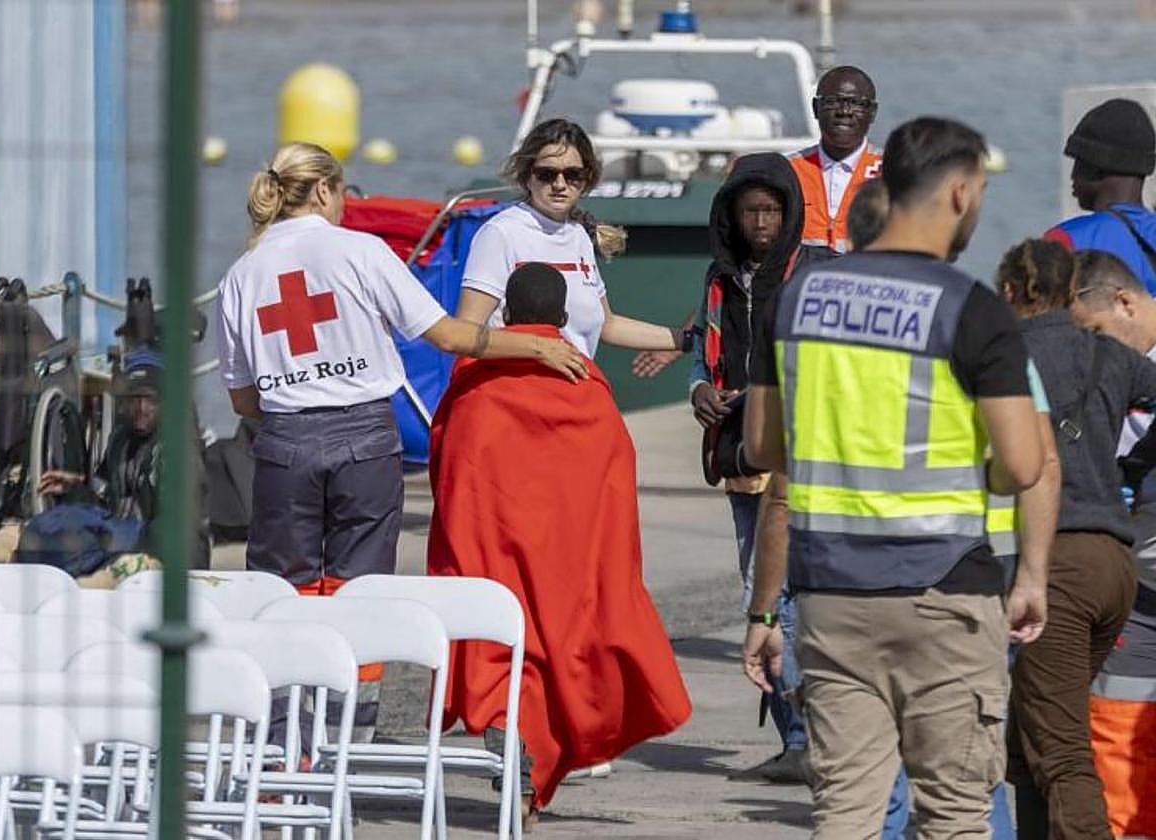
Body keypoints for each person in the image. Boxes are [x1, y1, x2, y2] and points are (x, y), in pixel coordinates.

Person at [742, 116, 1049, 838]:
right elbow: (1023, 465)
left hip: (831, 594)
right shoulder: (973, 310)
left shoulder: (795, 302)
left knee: (846, 811)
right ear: (960, 193)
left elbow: (760, 446)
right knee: (952, 814)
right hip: (944, 592)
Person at [216, 141, 587, 595]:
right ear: (325, 191)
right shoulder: (362, 251)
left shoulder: (240, 274)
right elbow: (449, 336)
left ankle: (290, 666)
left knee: (281, 591)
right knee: (359, 589)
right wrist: (536, 346)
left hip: (285, 445)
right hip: (365, 442)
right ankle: (354, 668)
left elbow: (243, 399)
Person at [429, 262, 692, 827]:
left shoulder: (475, 381)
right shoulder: (587, 386)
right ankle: (525, 784)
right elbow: (614, 478)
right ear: (565, 319)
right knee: (555, 659)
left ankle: (514, 775)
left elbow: (449, 469)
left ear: (505, 316)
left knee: (501, 656)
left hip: (491, 556)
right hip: (568, 563)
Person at [995, 238, 1156, 840]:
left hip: (1055, 562)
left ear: (1012, 293)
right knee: (1031, 732)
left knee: (1061, 749)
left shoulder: (1007, 355)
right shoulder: (1109, 354)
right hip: (1115, 563)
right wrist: (1134, 466)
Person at [689, 152, 830, 783]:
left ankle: (805, 737)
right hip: (741, 460)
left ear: (791, 213)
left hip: (803, 457)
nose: (762, 224)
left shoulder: (814, 273)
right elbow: (703, 355)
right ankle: (795, 737)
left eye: (772, 211)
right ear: (732, 217)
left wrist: (759, 396)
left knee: (780, 600)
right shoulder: (720, 281)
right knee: (763, 594)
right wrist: (702, 392)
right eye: (750, 212)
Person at [457, 117, 692, 360]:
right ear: (528, 176)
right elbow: (466, 333)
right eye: (547, 174)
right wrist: (540, 350)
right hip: (517, 390)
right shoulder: (501, 233)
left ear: (586, 178)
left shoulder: (578, 235)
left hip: (572, 391)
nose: (560, 184)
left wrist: (687, 340)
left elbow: (608, 325)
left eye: (572, 175)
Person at [1065, 249, 1156, 839]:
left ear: (1125, 302)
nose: (1094, 352)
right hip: (1138, 589)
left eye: (1096, 334)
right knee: (1117, 731)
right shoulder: (1113, 375)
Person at [38, 347, 212, 570]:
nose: (140, 408)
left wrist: (112, 535)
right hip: (124, 551)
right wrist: (75, 487)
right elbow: (104, 503)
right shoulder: (119, 441)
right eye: (133, 399)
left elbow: (177, 528)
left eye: (150, 400)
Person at [1045, 98, 1156, 294]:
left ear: (1096, 166)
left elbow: (1037, 320)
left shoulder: (1064, 241)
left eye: (1078, 162)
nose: (1072, 175)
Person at [787, 65, 883, 254]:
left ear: (872, 112)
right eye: (832, 102)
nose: (845, 111)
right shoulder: (788, 171)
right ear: (816, 108)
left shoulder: (894, 175)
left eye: (856, 103)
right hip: (803, 281)